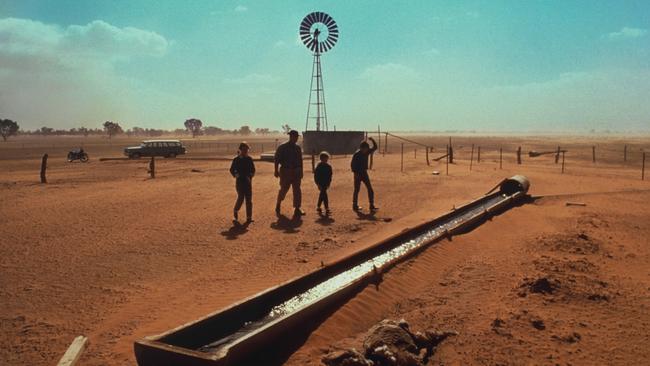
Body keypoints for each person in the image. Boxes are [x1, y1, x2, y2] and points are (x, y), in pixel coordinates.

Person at [274, 130, 304, 217]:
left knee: (297, 190)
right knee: (284, 189)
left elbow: (300, 160)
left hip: (296, 171)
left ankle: (297, 208)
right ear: (291, 136)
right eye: (295, 136)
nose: (296, 138)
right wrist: (276, 170)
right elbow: (276, 159)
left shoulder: (298, 148)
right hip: (285, 171)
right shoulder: (282, 147)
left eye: (297, 137)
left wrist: (301, 171)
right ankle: (278, 204)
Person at [230, 142, 255, 223]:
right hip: (240, 182)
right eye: (243, 150)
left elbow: (253, 170)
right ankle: (235, 211)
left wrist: (250, 176)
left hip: (248, 182)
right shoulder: (236, 160)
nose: (245, 151)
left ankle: (249, 217)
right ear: (240, 150)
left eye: (247, 150)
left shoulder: (249, 159)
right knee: (241, 198)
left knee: (249, 200)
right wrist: (236, 175)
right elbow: (232, 170)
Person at [350, 137, 378, 212]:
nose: (365, 150)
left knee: (370, 188)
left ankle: (371, 205)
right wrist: (355, 173)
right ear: (361, 148)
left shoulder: (367, 152)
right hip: (357, 174)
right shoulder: (356, 154)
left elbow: (375, 147)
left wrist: (372, 140)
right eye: (364, 149)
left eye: (366, 149)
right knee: (357, 189)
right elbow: (352, 165)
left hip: (364, 173)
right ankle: (354, 205)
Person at [314, 151, 333, 215]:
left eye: (326, 158)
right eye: (324, 158)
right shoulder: (319, 167)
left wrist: (329, 183)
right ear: (321, 159)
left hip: (326, 183)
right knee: (324, 194)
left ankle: (319, 206)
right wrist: (318, 184)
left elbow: (330, 175)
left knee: (322, 194)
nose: (326, 160)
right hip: (321, 183)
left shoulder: (328, 167)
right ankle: (326, 208)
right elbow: (316, 176)